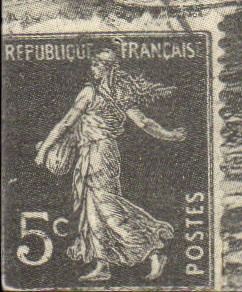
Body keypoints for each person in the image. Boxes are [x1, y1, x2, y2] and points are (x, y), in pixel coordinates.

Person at [31, 47, 187, 283]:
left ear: (106, 70)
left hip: (98, 153)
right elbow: (144, 123)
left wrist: (44, 150)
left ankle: (154, 249)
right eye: (93, 65)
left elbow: (65, 123)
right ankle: (103, 265)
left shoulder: (89, 93)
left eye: (96, 66)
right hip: (93, 153)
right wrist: (169, 135)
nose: (92, 69)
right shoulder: (119, 95)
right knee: (91, 211)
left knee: (106, 208)